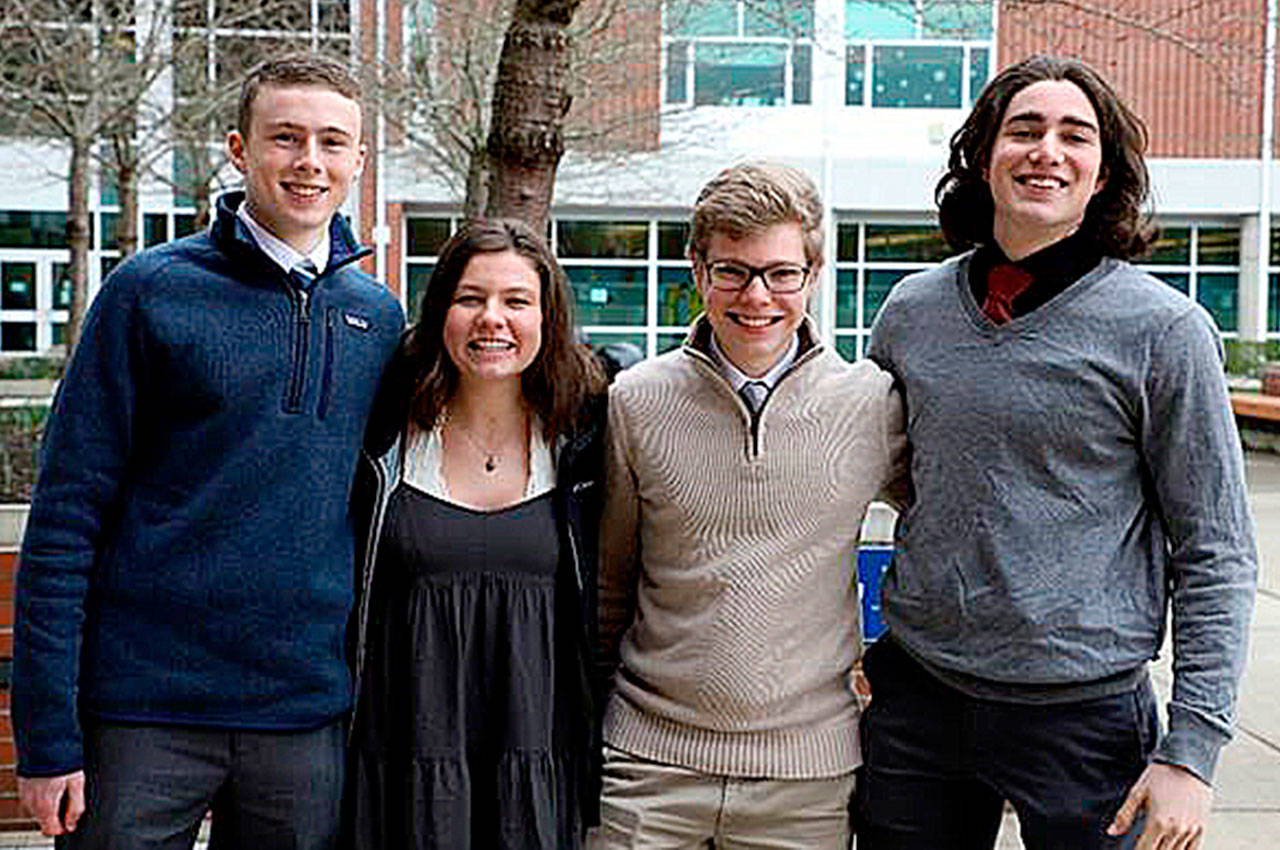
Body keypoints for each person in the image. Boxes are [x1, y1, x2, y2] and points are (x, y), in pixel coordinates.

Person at [859, 55, 1258, 850]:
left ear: (1104, 173)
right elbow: (896, 486)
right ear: (982, 156)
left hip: (1085, 721)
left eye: (1075, 136)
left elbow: (1216, 551)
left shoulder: (1164, 332)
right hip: (917, 703)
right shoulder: (912, 312)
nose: (1047, 151)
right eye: (1024, 130)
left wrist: (1193, 751)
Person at [12, 54, 404, 848]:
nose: (309, 162)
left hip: (303, 716)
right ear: (238, 148)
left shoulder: (379, 320)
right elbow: (62, 520)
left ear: (359, 161)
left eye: (333, 143)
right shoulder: (149, 292)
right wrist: (48, 735)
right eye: (285, 138)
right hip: (142, 715)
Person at [593, 161, 905, 847]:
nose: (757, 296)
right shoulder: (636, 401)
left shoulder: (870, 404)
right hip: (647, 765)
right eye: (732, 271)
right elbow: (610, 586)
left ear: (812, 274)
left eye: (781, 273)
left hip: (807, 778)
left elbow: (953, 528)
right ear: (698, 271)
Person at [343, 218, 608, 848]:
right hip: (402, 753)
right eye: (470, 299)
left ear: (548, 319)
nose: (493, 318)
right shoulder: (382, 431)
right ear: (440, 312)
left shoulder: (587, 437)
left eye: (517, 301)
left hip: (536, 750)